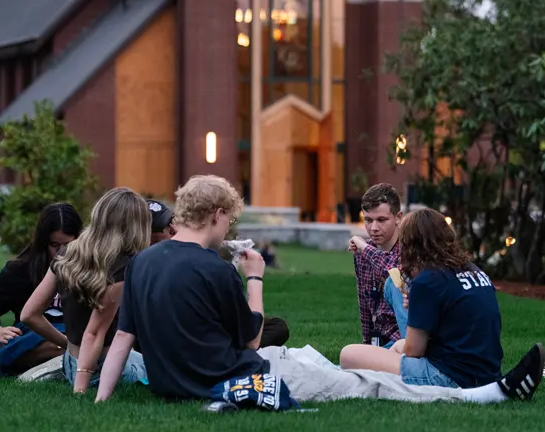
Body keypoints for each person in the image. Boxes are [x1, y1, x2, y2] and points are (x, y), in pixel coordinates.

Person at [94, 174, 543, 406]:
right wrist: (254, 277)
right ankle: (482, 395)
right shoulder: (214, 270)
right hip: (245, 376)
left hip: (187, 383)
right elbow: (251, 339)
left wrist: (94, 397)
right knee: (364, 383)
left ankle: (473, 389)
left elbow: (121, 341)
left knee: (317, 357)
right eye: (230, 218)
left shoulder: (142, 263)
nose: (231, 226)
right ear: (214, 214)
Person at [340, 208, 510, 389]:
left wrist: (400, 348)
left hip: (449, 376)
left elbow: (414, 351)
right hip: (487, 373)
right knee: (396, 345)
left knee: (349, 354)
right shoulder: (474, 270)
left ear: (411, 243)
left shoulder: (428, 279)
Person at [21, 187, 150, 393]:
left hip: (71, 361)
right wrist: (80, 389)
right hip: (99, 369)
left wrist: (67, 343)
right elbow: (94, 332)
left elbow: (29, 314)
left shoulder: (68, 253)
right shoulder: (124, 268)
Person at [0, 203, 83, 378]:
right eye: (55, 245)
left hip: (72, 332)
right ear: (43, 242)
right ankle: (59, 363)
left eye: (68, 245)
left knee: (81, 338)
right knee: (32, 337)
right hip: (33, 335)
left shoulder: (90, 270)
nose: (62, 253)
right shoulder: (21, 269)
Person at [146, 198, 289, 347]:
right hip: (186, 342)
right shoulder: (149, 264)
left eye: (172, 220)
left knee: (277, 326)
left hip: (193, 334)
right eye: (163, 227)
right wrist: (254, 278)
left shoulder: (151, 260)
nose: (173, 228)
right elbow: (251, 341)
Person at [349, 183, 407, 348]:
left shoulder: (410, 248)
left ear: (398, 218)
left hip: (406, 341)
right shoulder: (363, 253)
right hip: (380, 340)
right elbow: (365, 306)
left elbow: (392, 270)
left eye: (381, 220)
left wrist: (364, 248)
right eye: (368, 220)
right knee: (350, 359)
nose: (373, 228)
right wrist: (367, 346)